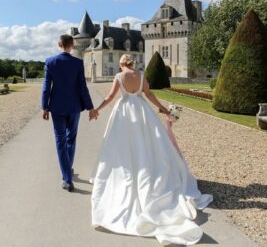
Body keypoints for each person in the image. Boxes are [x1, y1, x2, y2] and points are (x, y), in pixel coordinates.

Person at [91, 54, 213, 245]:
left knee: (122, 146)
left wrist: (97, 109)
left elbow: (110, 97)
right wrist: (163, 108)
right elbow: (149, 95)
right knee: (151, 143)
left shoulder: (118, 77)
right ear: (132, 63)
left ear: (122, 64)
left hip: (124, 112)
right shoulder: (140, 75)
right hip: (141, 110)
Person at [41, 34, 98, 192]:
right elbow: (82, 87)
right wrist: (90, 107)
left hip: (57, 108)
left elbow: (46, 86)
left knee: (60, 140)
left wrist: (44, 107)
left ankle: (67, 178)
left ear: (59, 44)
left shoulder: (50, 62)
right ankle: (68, 171)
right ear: (72, 45)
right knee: (71, 138)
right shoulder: (78, 63)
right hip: (74, 107)